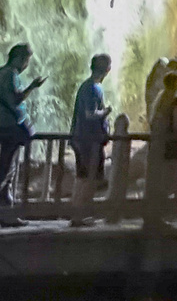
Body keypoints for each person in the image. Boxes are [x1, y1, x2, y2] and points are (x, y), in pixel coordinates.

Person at [0, 44, 46, 226]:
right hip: (6, 129)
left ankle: (5, 213)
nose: (26, 65)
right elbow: (14, 99)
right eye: (26, 60)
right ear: (19, 58)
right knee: (2, 172)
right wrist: (32, 86)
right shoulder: (9, 75)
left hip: (0, 128)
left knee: (8, 172)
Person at [69, 53, 112, 226]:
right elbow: (90, 114)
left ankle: (77, 214)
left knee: (82, 177)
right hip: (89, 141)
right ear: (107, 70)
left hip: (81, 138)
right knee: (89, 178)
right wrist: (106, 112)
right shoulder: (93, 88)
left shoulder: (86, 86)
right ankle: (79, 216)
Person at [151, 70, 177, 199]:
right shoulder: (176, 100)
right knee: (176, 173)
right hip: (173, 142)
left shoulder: (160, 99)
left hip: (161, 141)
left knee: (163, 175)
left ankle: (161, 202)